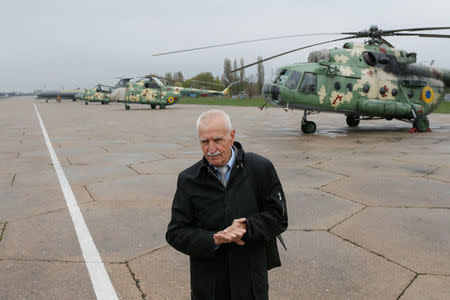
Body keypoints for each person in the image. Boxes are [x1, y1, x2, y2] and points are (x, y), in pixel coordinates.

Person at [166, 109, 288, 300]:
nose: (211, 148)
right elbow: (175, 233)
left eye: (217, 140)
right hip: (209, 284)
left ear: (232, 136)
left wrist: (247, 226)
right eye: (204, 142)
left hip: (250, 281)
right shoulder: (188, 179)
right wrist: (214, 239)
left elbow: (279, 217)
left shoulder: (260, 168)